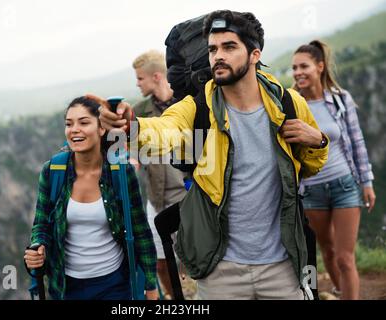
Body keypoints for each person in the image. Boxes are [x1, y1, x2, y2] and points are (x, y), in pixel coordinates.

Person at [91, 10, 329, 300]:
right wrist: (131, 128)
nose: (218, 56)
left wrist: (318, 140)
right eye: (213, 49)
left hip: (283, 266)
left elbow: (311, 166)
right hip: (220, 270)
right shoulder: (197, 108)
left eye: (229, 47)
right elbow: (165, 132)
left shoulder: (289, 103)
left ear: (255, 54)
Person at [24, 96, 158, 300]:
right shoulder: (52, 171)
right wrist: (37, 247)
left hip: (114, 285)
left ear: (101, 128)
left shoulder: (120, 171)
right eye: (69, 124)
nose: (74, 129)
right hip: (66, 286)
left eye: (84, 122)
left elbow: (139, 229)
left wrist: (150, 284)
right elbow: (41, 224)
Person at [292, 40, 376, 300]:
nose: (297, 72)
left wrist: (367, 181)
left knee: (344, 258)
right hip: (311, 190)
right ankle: (341, 292)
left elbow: (357, 140)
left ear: (320, 66)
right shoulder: (291, 104)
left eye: (304, 66)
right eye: (294, 68)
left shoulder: (340, 100)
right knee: (327, 251)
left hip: (345, 184)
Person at [131, 50, 187, 299]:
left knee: (195, 254)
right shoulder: (139, 110)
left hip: (186, 193)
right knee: (161, 261)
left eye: (140, 78)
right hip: (155, 198)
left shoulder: (185, 103)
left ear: (156, 76)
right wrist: (131, 161)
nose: (137, 83)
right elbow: (131, 147)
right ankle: (176, 298)